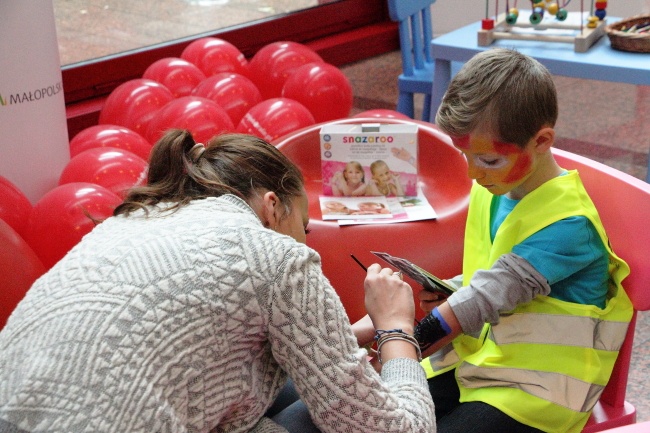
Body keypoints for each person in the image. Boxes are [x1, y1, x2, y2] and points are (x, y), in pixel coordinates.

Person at [0, 130, 435, 433]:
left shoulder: (136, 219)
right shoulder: (276, 256)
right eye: (303, 227)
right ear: (271, 207)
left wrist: (343, 336)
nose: (306, 244)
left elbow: (194, 353)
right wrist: (397, 327)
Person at [412, 48, 633, 433]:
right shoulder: (496, 188)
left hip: (542, 388)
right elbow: (493, 278)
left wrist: (395, 340)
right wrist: (452, 289)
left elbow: (487, 296)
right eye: (464, 155)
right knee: (392, 410)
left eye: (489, 161)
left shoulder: (569, 226)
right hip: (483, 358)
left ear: (542, 140)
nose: (473, 173)